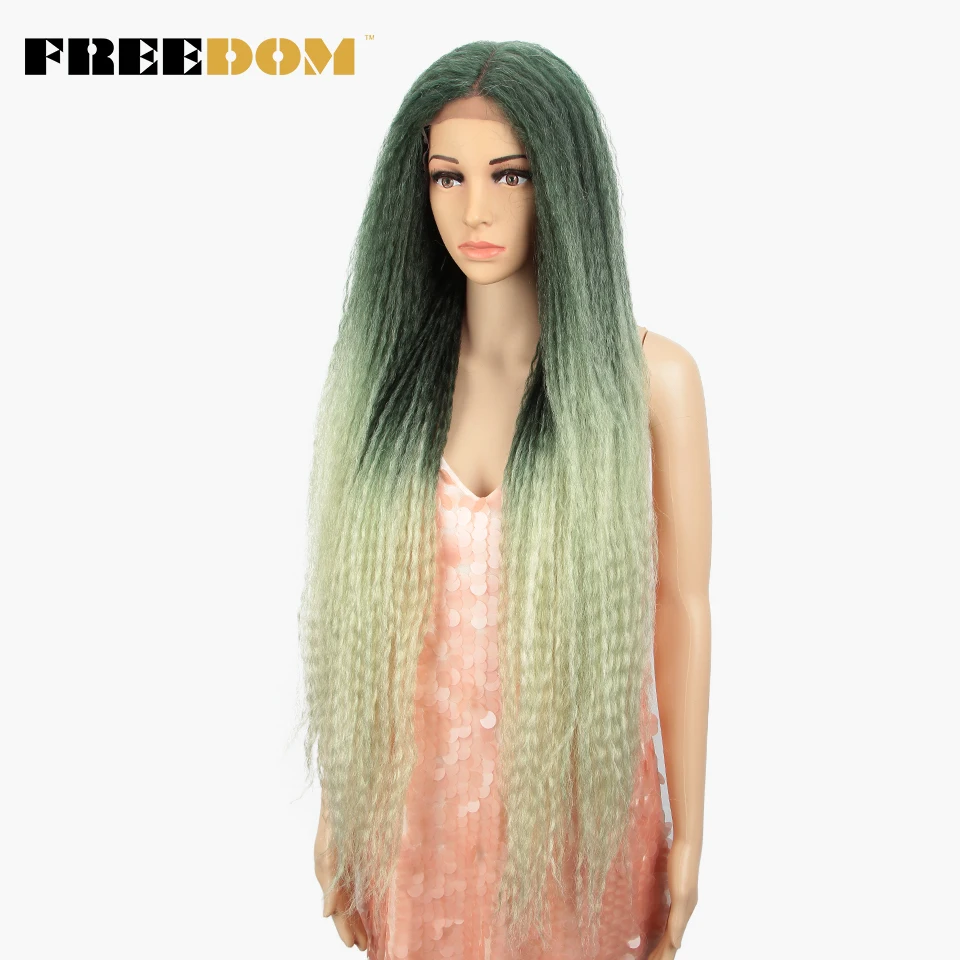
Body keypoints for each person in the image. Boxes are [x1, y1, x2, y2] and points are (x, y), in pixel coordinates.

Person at [297, 40, 711, 960]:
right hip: (413, 835)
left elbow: (682, 607)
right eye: (447, 177)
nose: (474, 210)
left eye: (510, 175)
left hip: (576, 835)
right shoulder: (383, 387)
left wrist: (689, 833)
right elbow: (363, 618)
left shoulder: (653, 384)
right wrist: (340, 810)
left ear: (564, 184)